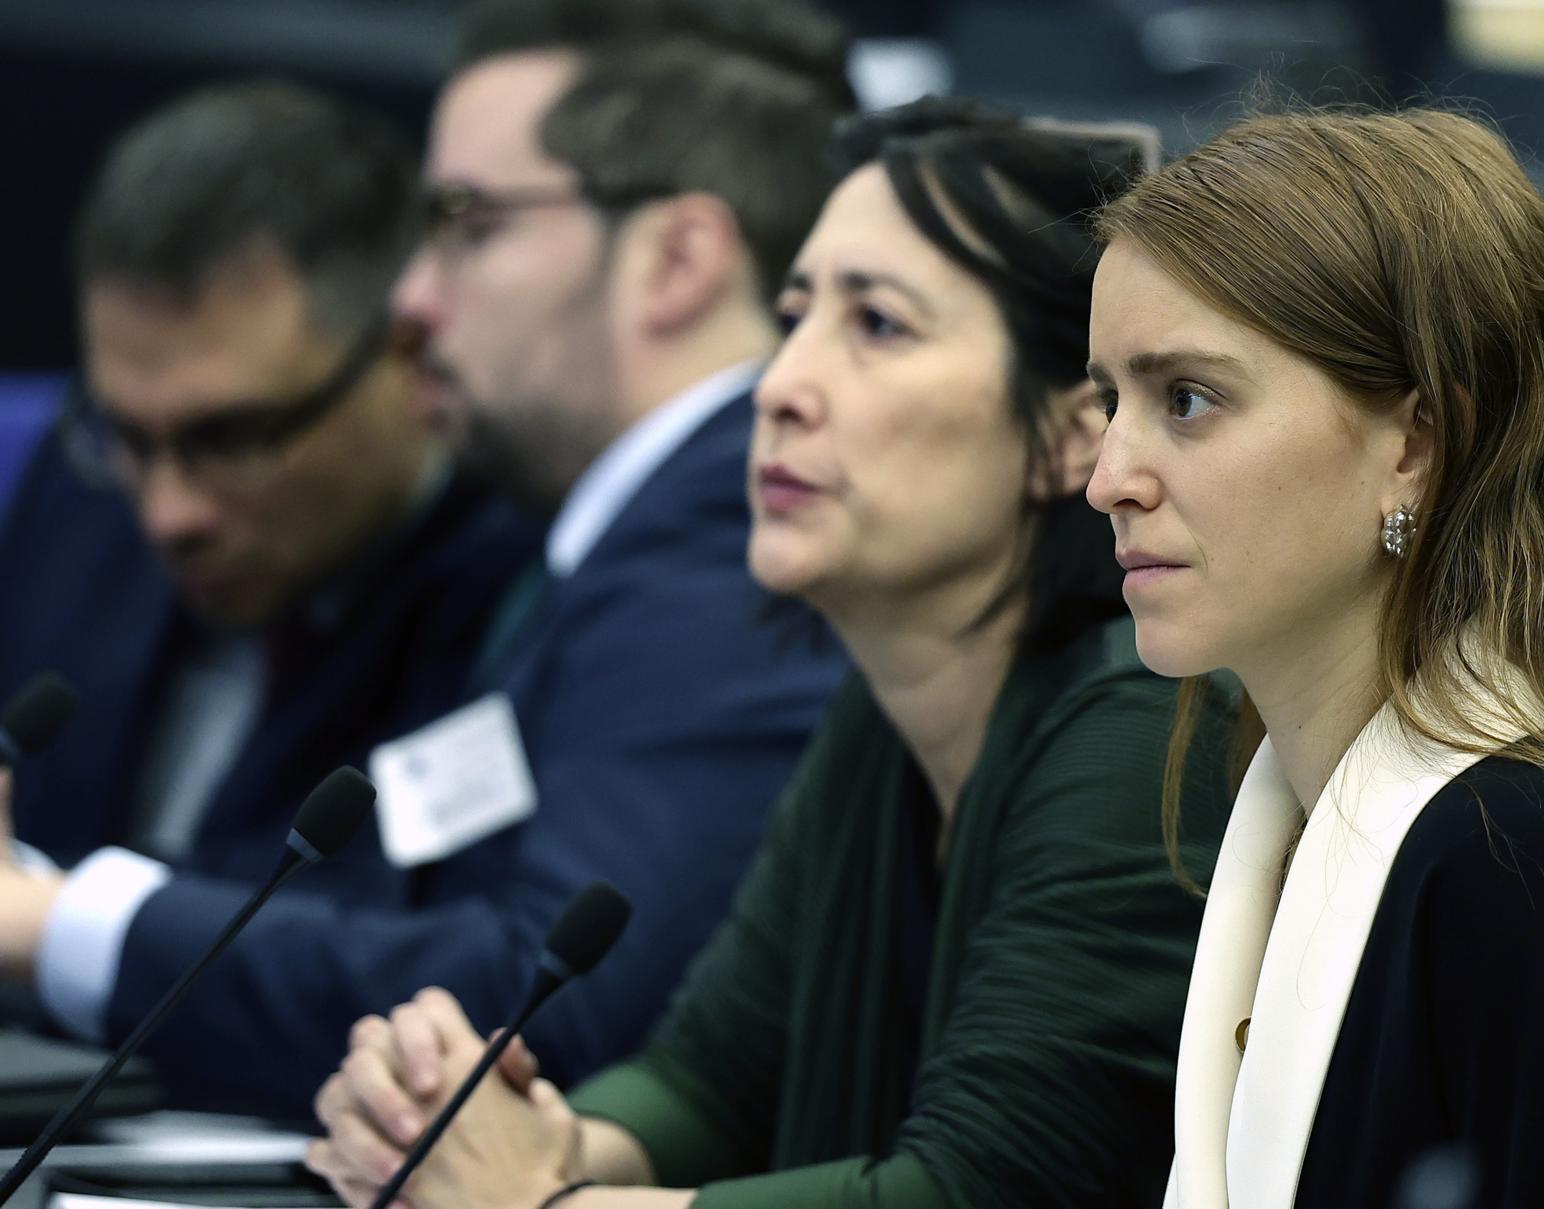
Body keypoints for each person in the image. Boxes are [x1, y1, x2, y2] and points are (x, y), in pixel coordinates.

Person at [305, 100, 1233, 1209]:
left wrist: (538, 1207)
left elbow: (978, 1192)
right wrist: (503, 1138)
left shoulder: (1143, 724)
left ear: (1077, 427)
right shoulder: (879, 722)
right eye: (792, 317)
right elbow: (709, 1082)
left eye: (877, 326)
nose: (780, 386)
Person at [0, 2, 854, 1113]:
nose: (411, 299)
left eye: (468, 221)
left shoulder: (730, 536)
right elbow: (401, 900)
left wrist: (52, 924)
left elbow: (549, 1003)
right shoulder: (617, 538)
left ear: (676, 260)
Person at [1085, 107, 1544, 1207]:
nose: (1109, 475)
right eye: (1111, 400)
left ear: (1415, 444)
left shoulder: (1531, 867)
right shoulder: (1293, 806)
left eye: (1187, 401)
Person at [0, 80, 535, 1035]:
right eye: (131, 436)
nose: (169, 512)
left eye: (236, 437)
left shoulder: (523, 585)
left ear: (407, 356)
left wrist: (49, 919)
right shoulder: (82, 484)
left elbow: (437, 964)